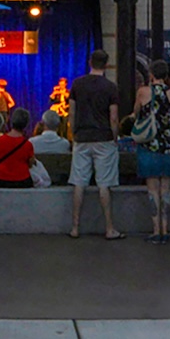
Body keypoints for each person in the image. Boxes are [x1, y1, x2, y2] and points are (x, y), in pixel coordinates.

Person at [68, 49, 123, 240]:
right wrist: (114, 137)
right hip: (103, 138)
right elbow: (114, 117)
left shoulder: (77, 84)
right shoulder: (110, 87)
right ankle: (109, 228)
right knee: (104, 184)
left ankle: (75, 227)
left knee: (79, 183)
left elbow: (72, 113)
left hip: (82, 137)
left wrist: (74, 133)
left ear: (90, 62)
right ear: (106, 64)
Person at [0, 107, 35, 187]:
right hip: (22, 180)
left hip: (1, 178)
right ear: (26, 124)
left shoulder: (0, 140)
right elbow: (30, 163)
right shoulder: (28, 144)